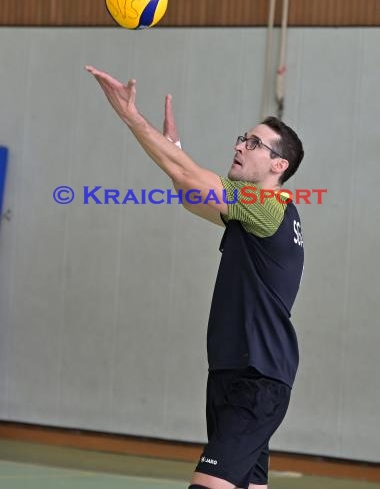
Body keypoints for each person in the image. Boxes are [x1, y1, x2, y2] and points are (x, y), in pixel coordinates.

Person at [85, 65, 304, 489]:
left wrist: (132, 117)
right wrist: (175, 149)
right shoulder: (251, 215)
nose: (241, 145)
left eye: (254, 143)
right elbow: (191, 196)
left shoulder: (267, 206)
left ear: (279, 164)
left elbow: (190, 178)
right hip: (233, 373)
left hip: (256, 380)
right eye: (243, 137)